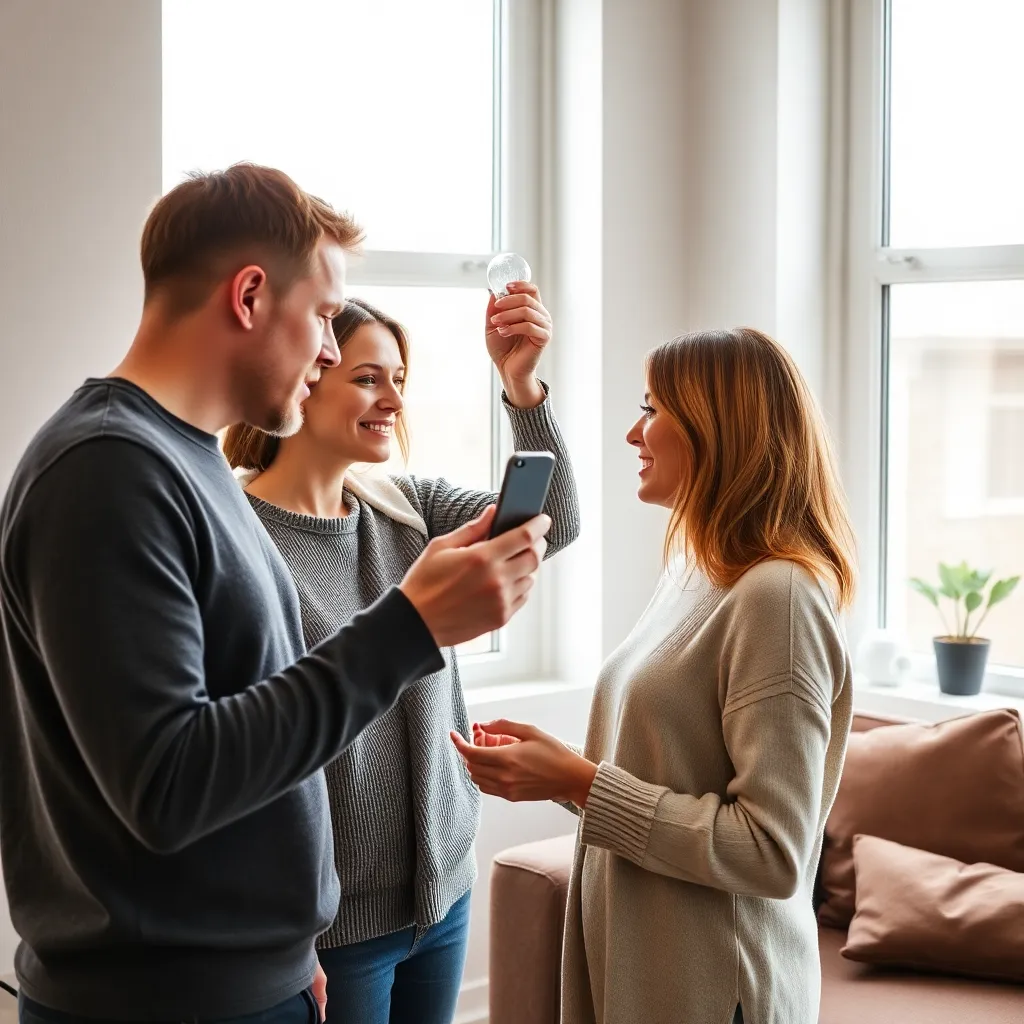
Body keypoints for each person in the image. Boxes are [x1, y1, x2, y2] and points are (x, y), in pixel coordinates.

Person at [0, 164, 550, 1024]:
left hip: (257, 978)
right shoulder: (106, 472)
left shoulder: (187, 462)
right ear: (251, 295)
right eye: (327, 316)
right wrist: (409, 626)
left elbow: (250, 721)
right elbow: (170, 783)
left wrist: (290, 944)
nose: (333, 350)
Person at [454, 328, 856, 1024]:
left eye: (653, 408)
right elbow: (672, 773)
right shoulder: (697, 570)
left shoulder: (778, 597)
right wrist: (559, 770)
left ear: (716, 428)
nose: (635, 434)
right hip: (646, 967)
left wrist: (577, 780)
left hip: (713, 990)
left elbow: (771, 852)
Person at [221, 285, 579, 1023]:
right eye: (367, 377)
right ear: (307, 374)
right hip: (332, 925)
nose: (392, 399)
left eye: (400, 381)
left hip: (443, 894)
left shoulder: (406, 504)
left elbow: (558, 521)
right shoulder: (237, 533)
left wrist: (522, 387)